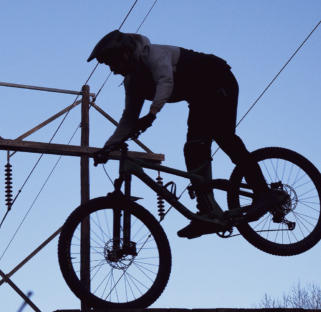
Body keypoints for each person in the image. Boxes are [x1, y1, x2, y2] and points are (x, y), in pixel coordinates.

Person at [88, 30, 280, 239]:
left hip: (219, 79)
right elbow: (128, 119)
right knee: (193, 149)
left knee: (223, 135)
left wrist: (152, 114)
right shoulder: (132, 81)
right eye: (108, 65)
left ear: (126, 51)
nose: (112, 69)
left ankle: (264, 192)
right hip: (200, 97)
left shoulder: (154, 55)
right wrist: (107, 147)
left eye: (112, 62)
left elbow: (165, 82)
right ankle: (207, 212)